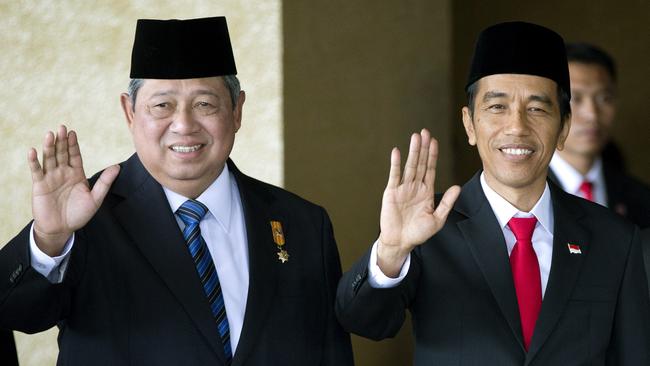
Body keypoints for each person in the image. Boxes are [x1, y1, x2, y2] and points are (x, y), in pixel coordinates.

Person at [0, 17, 353, 365]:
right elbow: (18, 314)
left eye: (205, 104)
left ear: (236, 111)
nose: (184, 125)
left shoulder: (304, 224)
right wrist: (48, 240)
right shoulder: (85, 217)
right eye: (162, 105)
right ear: (130, 112)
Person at [336, 21, 649, 365]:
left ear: (563, 128)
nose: (516, 126)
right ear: (470, 125)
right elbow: (363, 322)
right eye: (497, 107)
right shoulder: (429, 225)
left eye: (537, 108)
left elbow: (632, 354)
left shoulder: (614, 238)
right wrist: (392, 252)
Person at [548, 42, 650, 228]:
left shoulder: (640, 198)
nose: (592, 114)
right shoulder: (523, 192)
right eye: (575, 99)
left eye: (604, 98)